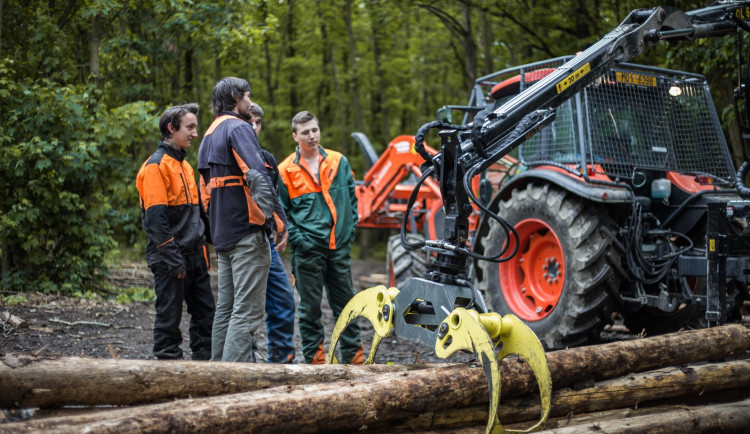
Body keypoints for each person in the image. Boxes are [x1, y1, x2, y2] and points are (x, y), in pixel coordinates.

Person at [197, 77, 288, 363]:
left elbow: (205, 194)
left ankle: (217, 373)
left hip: (223, 235)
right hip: (247, 234)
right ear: (236, 97)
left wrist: (213, 231)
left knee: (226, 308)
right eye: (248, 96)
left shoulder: (209, 134)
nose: (250, 102)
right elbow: (258, 176)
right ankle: (229, 382)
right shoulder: (239, 127)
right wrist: (277, 220)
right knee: (246, 311)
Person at [277, 111, 363, 364]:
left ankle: (354, 358)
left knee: (346, 305)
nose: (312, 136)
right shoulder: (286, 170)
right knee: (310, 308)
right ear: (296, 136)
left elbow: (352, 198)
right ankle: (315, 361)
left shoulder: (338, 161)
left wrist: (349, 231)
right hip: (307, 251)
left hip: (339, 247)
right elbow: (281, 213)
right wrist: (299, 240)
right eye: (305, 132)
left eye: (314, 130)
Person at [135, 103, 215, 360]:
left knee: (206, 315)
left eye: (195, 127)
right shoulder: (155, 167)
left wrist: (212, 242)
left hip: (195, 256)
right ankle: (168, 370)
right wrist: (173, 260)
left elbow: (198, 214)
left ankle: (205, 370)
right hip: (170, 258)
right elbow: (155, 222)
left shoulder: (186, 166)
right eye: (189, 127)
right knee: (169, 318)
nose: (195, 133)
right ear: (171, 128)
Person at [249, 103, 297, 363]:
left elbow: (274, 200)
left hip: (266, 241)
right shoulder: (228, 156)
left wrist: (282, 226)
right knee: (245, 307)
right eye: (250, 122)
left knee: (284, 299)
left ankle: (281, 359)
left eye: (258, 123)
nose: (254, 128)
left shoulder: (267, 160)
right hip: (241, 241)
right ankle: (246, 361)